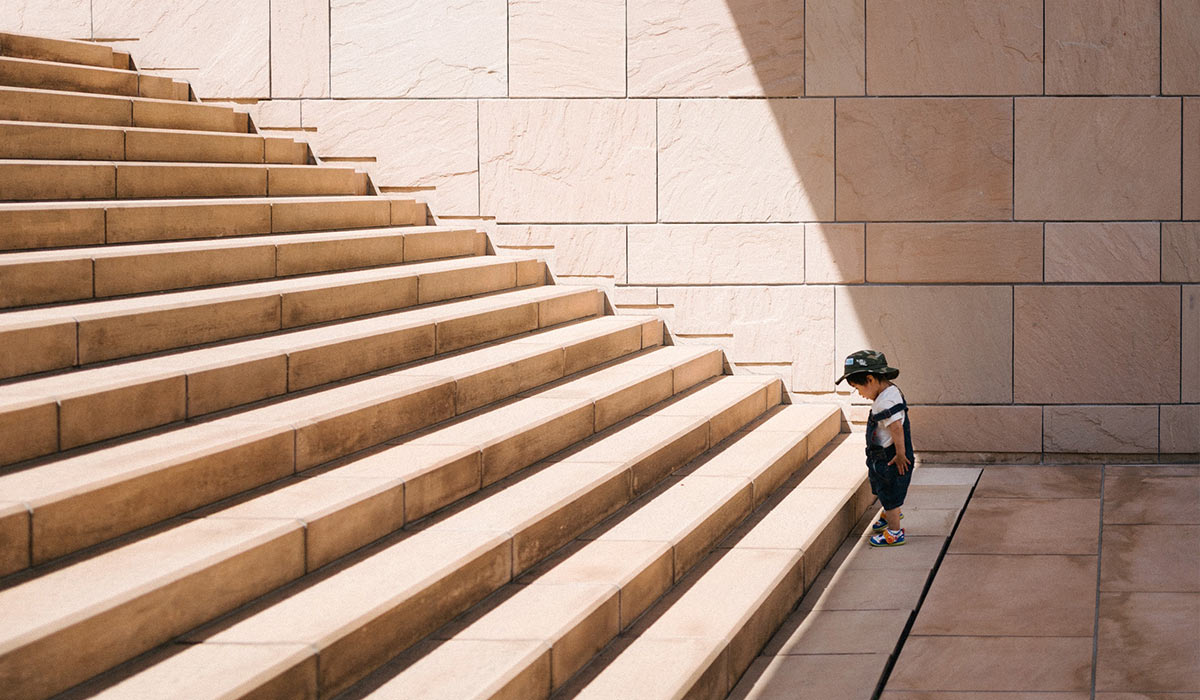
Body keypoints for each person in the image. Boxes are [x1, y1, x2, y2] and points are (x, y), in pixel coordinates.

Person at [835, 350, 914, 547]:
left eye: (857, 388)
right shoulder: (891, 391)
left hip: (890, 456)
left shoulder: (884, 402)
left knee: (890, 492)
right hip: (883, 454)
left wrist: (900, 454)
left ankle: (895, 532)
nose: (859, 394)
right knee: (883, 487)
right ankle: (890, 513)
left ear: (870, 379)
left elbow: (896, 428)